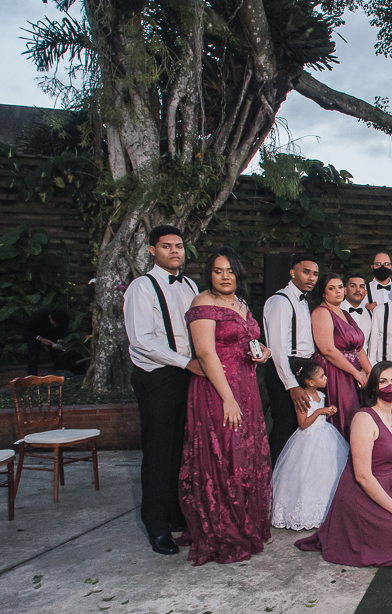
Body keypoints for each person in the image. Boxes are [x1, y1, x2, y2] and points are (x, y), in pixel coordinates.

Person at [297, 363, 392, 566]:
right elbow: (362, 476)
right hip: (363, 494)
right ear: (373, 387)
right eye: (383, 381)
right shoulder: (364, 418)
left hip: (391, 483)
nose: (390, 386)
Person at [179, 247, 274, 565]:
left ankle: (245, 523)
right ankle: (222, 529)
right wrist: (228, 399)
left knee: (244, 453)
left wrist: (262, 352)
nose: (224, 276)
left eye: (230, 271)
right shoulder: (202, 303)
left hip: (246, 385)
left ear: (238, 274)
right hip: (217, 389)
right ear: (209, 274)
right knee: (223, 454)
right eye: (218, 271)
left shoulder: (241, 303)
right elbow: (206, 354)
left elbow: (247, 341)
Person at [123, 225, 203, 555]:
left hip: (189, 374)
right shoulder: (141, 287)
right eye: (167, 246)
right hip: (157, 376)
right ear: (152, 251)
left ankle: (175, 515)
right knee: (158, 452)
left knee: (181, 448)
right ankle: (157, 527)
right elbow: (141, 339)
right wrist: (185, 364)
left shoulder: (191, 285)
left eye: (179, 246)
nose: (175, 251)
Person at [271, 361, 349, 531]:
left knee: (326, 471)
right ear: (311, 382)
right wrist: (319, 412)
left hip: (325, 435)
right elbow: (303, 424)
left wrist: (326, 413)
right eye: (322, 376)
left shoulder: (321, 396)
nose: (326, 378)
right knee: (307, 473)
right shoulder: (303, 398)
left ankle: (327, 509)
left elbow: (319, 418)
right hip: (307, 439)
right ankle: (306, 512)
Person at [263, 254, 319, 463]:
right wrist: (291, 385)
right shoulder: (280, 301)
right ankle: (273, 480)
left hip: (303, 368)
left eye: (314, 274)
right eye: (306, 272)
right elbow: (277, 349)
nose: (311, 278)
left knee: (301, 428)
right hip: (285, 368)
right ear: (292, 273)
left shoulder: (304, 301)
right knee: (284, 427)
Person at [311, 273, 369, 434]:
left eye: (340, 287)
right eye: (331, 288)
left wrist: (372, 373)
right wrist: (356, 373)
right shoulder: (321, 313)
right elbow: (328, 350)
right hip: (336, 374)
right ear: (323, 293)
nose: (338, 291)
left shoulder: (345, 314)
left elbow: (359, 349)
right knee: (344, 416)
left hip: (353, 374)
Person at [24, 307, 71, 375]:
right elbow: (27, 330)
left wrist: (58, 343)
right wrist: (40, 338)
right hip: (36, 333)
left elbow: (63, 332)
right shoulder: (38, 316)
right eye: (54, 324)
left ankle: (60, 375)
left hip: (53, 334)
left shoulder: (63, 318)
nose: (55, 326)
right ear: (50, 317)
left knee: (57, 355)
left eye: (57, 325)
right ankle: (32, 377)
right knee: (33, 355)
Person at [341, 273, 373, 340]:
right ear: (345, 291)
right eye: (353, 286)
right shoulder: (336, 311)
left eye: (361, 287)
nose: (358, 290)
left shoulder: (370, 314)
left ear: (365, 292)